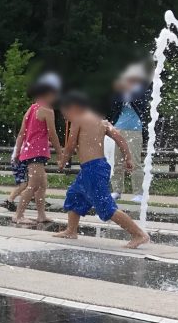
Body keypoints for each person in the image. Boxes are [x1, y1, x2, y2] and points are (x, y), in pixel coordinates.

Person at [55, 91, 149, 248]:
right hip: (96, 167)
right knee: (75, 195)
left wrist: (63, 161)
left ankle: (139, 234)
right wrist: (128, 158)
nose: (65, 116)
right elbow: (121, 140)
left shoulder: (79, 119)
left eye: (65, 111)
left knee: (105, 205)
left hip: (93, 169)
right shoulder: (102, 121)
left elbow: (70, 146)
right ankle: (71, 230)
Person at [12, 73, 62, 226]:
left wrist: (17, 152)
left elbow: (22, 133)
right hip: (37, 152)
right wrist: (60, 152)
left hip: (29, 151)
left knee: (42, 184)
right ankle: (18, 215)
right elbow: (52, 134)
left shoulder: (32, 108)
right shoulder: (47, 110)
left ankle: (41, 215)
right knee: (33, 185)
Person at [107, 63, 150, 202]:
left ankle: (138, 192)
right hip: (118, 128)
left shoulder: (142, 89)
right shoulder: (121, 90)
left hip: (134, 130)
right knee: (116, 162)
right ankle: (117, 190)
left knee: (135, 162)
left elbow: (140, 101)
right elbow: (113, 104)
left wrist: (127, 90)